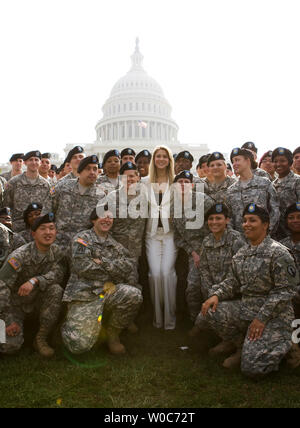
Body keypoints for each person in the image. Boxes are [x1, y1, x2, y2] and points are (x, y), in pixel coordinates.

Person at [198, 204, 300, 377]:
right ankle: (242, 347)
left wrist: (261, 319)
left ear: (265, 224)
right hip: (247, 308)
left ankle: (287, 342)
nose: (247, 224)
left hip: (274, 315)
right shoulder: (242, 253)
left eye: (252, 220)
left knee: (252, 368)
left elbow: (285, 291)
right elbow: (232, 281)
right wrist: (216, 295)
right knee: (210, 312)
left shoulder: (279, 253)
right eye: (245, 221)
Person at [61, 206, 143, 355]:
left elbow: (129, 265)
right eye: (103, 216)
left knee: (133, 294)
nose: (107, 219)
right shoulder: (82, 239)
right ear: (93, 220)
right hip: (84, 295)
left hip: (108, 292)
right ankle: (71, 324)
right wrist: (114, 270)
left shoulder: (115, 245)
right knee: (78, 347)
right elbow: (83, 267)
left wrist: (103, 262)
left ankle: (113, 334)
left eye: (110, 217)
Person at [0, 213, 65, 358]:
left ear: (56, 232)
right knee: (10, 346)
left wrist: (35, 280)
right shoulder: (19, 256)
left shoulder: (57, 252)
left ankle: (40, 338)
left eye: (51, 228)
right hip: (14, 306)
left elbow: (58, 274)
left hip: (37, 302)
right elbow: (1, 287)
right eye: (43, 229)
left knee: (56, 290)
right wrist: (6, 320)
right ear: (33, 234)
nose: (48, 232)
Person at [172, 170, 214, 321]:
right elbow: (177, 237)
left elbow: (217, 226)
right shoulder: (173, 207)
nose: (183, 185)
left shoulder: (205, 201)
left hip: (212, 250)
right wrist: (193, 252)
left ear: (192, 185)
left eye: (186, 182)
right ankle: (196, 322)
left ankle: (214, 323)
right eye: (179, 182)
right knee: (192, 288)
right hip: (194, 254)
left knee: (211, 288)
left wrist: (203, 250)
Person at [145, 145, 178, 330]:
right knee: (155, 274)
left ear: (169, 160)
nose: (161, 159)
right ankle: (158, 319)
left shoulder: (175, 182)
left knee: (167, 273)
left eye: (165, 156)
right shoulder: (144, 182)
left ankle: (170, 319)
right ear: (154, 159)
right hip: (151, 235)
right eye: (158, 156)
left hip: (169, 234)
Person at [42, 155, 103, 251]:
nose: (92, 172)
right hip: (57, 243)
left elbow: (99, 226)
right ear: (80, 171)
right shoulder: (62, 187)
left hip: (82, 247)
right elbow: (46, 212)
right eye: (88, 169)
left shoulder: (101, 196)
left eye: (95, 169)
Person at [109, 162, 147, 288]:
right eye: (126, 177)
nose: (129, 179)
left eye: (132, 176)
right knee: (114, 286)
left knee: (134, 285)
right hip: (116, 251)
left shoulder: (145, 197)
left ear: (138, 178)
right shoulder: (112, 197)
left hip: (139, 252)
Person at [226, 147, 280, 236]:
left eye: (237, 160)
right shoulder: (231, 190)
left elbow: (275, 210)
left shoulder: (264, 183)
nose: (234, 164)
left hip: (263, 239)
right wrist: (235, 237)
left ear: (247, 161)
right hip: (240, 242)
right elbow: (229, 218)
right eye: (233, 161)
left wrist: (267, 232)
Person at [4, 151, 51, 232]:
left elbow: (47, 208)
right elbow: (6, 206)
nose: (34, 162)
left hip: (38, 228)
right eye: (30, 160)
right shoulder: (13, 182)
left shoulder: (45, 185)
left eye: (36, 160)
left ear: (40, 162)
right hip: (17, 228)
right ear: (25, 162)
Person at [272, 147, 300, 240]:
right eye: (275, 161)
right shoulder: (272, 185)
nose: (278, 164)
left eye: (282, 161)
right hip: (278, 234)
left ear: (290, 162)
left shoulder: (297, 181)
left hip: (295, 233)